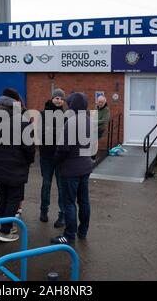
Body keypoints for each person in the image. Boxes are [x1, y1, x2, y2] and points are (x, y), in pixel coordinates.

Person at [0, 88, 35, 243]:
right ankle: (5, 231)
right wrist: (28, 161)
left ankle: (5, 226)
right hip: (17, 165)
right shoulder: (21, 120)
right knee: (13, 197)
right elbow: (29, 147)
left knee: (3, 195)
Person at [51, 92, 93, 245]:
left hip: (71, 169)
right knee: (84, 201)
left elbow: (63, 148)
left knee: (69, 203)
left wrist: (55, 161)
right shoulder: (89, 120)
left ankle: (69, 235)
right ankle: (83, 231)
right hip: (85, 166)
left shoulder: (72, 122)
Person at [39, 88, 66, 228]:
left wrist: (51, 131)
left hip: (61, 157)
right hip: (46, 156)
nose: (59, 100)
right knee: (46, 184)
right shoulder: (43, 114)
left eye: (61, 98)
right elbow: (41, 134)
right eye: (57, 97)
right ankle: (44, 211)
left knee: (62, 187)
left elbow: (66, 135)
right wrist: (56, 132)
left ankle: (62, 215)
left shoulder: (66, 115)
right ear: (52, 98)